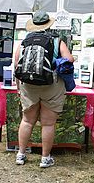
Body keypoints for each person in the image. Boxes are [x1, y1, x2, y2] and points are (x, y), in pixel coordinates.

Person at [15, 10, 74, 168]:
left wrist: (18, 87)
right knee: (48, 124)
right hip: (51, 85)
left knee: (27, 121)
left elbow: (16, 66)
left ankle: (21, 154)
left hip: (29, 85)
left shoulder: (24, 42)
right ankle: (45, 158)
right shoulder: (57, 41)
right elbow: (69, 60)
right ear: (49, 24)